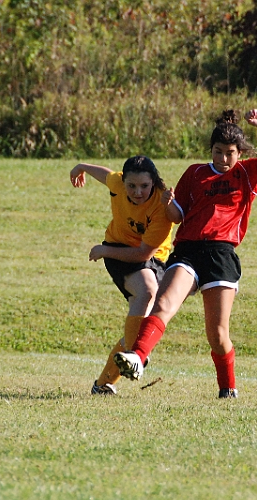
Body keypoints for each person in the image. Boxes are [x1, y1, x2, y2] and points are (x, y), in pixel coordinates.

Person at [114, 109, 257, 398]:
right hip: (188, 251)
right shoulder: (195, 173)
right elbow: (176, 216)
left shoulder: (247, 173)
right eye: (218, 152)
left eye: (229, 153)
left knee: (218, 335)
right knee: (164, 302)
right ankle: (137, 357)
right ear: (211, 150)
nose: (223, 159)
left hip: (222, 255)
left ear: (239, 152)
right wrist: (168, 202)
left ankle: (228, 389)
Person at [69, 155, 175, 395]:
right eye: (132, 186)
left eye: (144, 186)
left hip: (151, 257)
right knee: (147, 292)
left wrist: (102, 250)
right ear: (124, 182)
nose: (137, 192)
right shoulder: (118, 184)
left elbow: (143, 253)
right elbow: (107, 175)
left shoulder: (161, 205)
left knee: (139, 325)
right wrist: (82, 166)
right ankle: (136, 355)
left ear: (154, 183)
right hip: (118, 252)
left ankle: (104, 383)